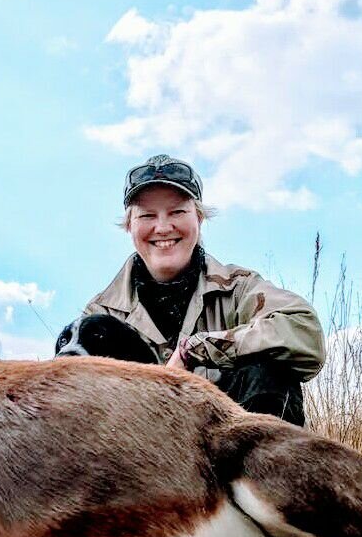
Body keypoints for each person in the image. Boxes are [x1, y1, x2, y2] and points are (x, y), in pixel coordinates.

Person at [84, 155, 325, 426]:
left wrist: (195, 350)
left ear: (199, 218)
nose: (163, 227)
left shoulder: (239, 288)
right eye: (147, 215)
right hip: (139, 458)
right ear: (129, 225)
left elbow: (303, 329)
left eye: (177, 212)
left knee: (268, 372)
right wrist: (159, 388)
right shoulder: (98, 317)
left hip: (232, 454)